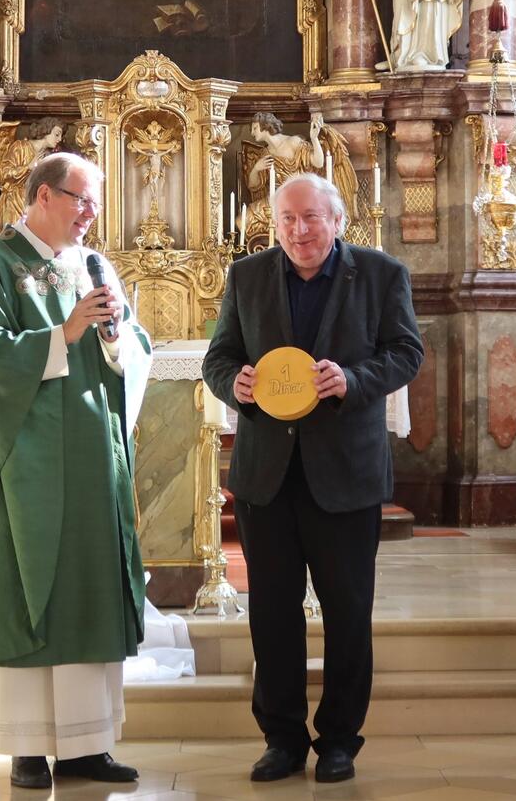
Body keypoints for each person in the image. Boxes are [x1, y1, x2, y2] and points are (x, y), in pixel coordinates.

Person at [0, 153, 153, 790]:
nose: (92, 214)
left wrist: (112, 340)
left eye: (96, 202)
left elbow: (132, 347)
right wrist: (66, 333)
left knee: (87, 590)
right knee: (25, 592)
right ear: (43, 196)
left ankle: (86, 748)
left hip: (91, 459)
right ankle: (27, 747)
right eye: (83, 199)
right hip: (22, 463)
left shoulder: (95, 266)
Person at [202, 172, 423, 784]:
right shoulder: (246, 277)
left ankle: (340, 740)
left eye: (310, 218)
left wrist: (353, 380)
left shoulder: (381, 276)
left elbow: (407, 352)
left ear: (337, 220)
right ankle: (282, 738)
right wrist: (235, 384)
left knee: (348, 612)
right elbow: (218, 357)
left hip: (344, 473)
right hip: (266, 476)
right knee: (272, 614)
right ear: (274, 224)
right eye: (287, 220)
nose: (298, 231)